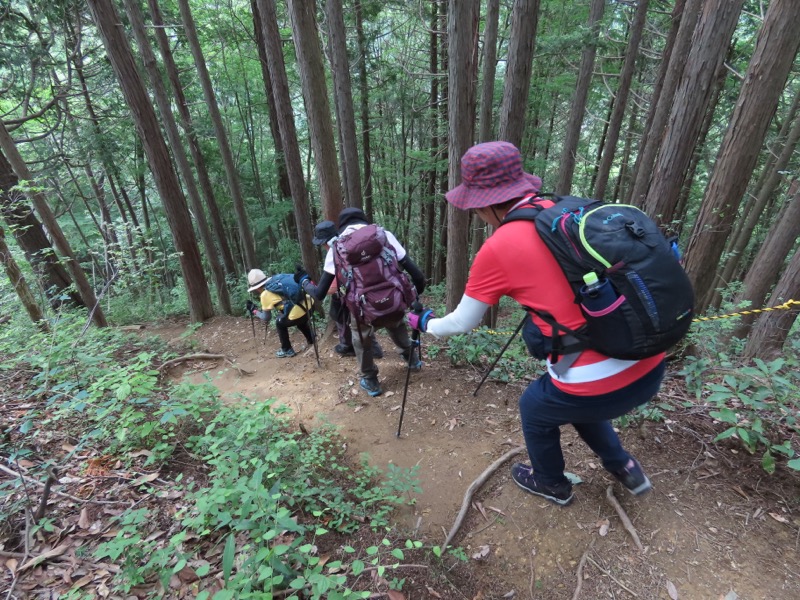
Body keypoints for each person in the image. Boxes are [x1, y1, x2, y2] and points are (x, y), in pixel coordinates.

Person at [407, 141, 665, 506]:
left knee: (536, 406)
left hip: (604, 379)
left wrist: (425, 322)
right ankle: (623, 465)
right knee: (567, 400)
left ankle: (551, 483)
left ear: (484, 203)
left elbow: (462, 323)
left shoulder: (500, 247)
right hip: (650, 357)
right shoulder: (567, 210)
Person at [298, 208, 426, 397]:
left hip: (363, 309)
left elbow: (319, 293)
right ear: (364, 221)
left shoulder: (337, 248)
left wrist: (303, 281)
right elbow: (417, 275)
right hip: (394, 300)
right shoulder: (384, 235)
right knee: (396, 322)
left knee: (361, 339)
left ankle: (371, 380)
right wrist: (415, 296)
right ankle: (412, 360)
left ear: (342, 227)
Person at [311, 220, 383, 359]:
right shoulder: (349, 245)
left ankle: (347, 346)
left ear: (325, 242)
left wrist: (306, 283)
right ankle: (373, 348)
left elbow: (326, 290)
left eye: (322, 243)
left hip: (351, 293)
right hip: (364, 290)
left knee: (339, 312)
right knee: (359, 319)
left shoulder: (335, 251)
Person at [246, 269, 314, 358]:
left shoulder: (265, 294)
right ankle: (312, 340)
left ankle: (287, 350)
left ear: (257, 287)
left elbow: (266, 318)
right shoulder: (278, 280)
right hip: (311, 306)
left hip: (299, 313)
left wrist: (254, 310)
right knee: (298, 319)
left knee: (279, 323)